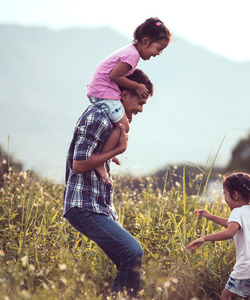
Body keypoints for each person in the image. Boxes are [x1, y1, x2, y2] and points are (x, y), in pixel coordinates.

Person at [63, 69, 154, 299]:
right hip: (83, 205)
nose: (141, 109)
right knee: (132, 252)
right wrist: (117, 150)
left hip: (98, 206)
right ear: (124, 95)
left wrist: (109, 153)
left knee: (131, 263)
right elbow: (79, 164)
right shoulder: (97, 117)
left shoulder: (112, 122)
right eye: (140, 101)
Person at [86, 17, 171, 183]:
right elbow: (114, 76)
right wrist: (137, 86)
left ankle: (103, 156)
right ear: (145, 41)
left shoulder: (131, 54)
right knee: (124, 126)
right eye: (158, 49)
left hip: (101, 90)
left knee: (118, 125)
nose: (158, 54)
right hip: (103, 92)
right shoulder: (131, 56)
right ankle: (100, 160)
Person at [186, 172, 250, 300]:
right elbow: (232, 225)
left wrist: (204, 238)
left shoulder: (237, 211)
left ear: (235, 195)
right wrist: (210, 216)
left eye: (224, 193)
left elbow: (230, 231)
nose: (224, 198)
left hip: (246, 269)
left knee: (225, 298)